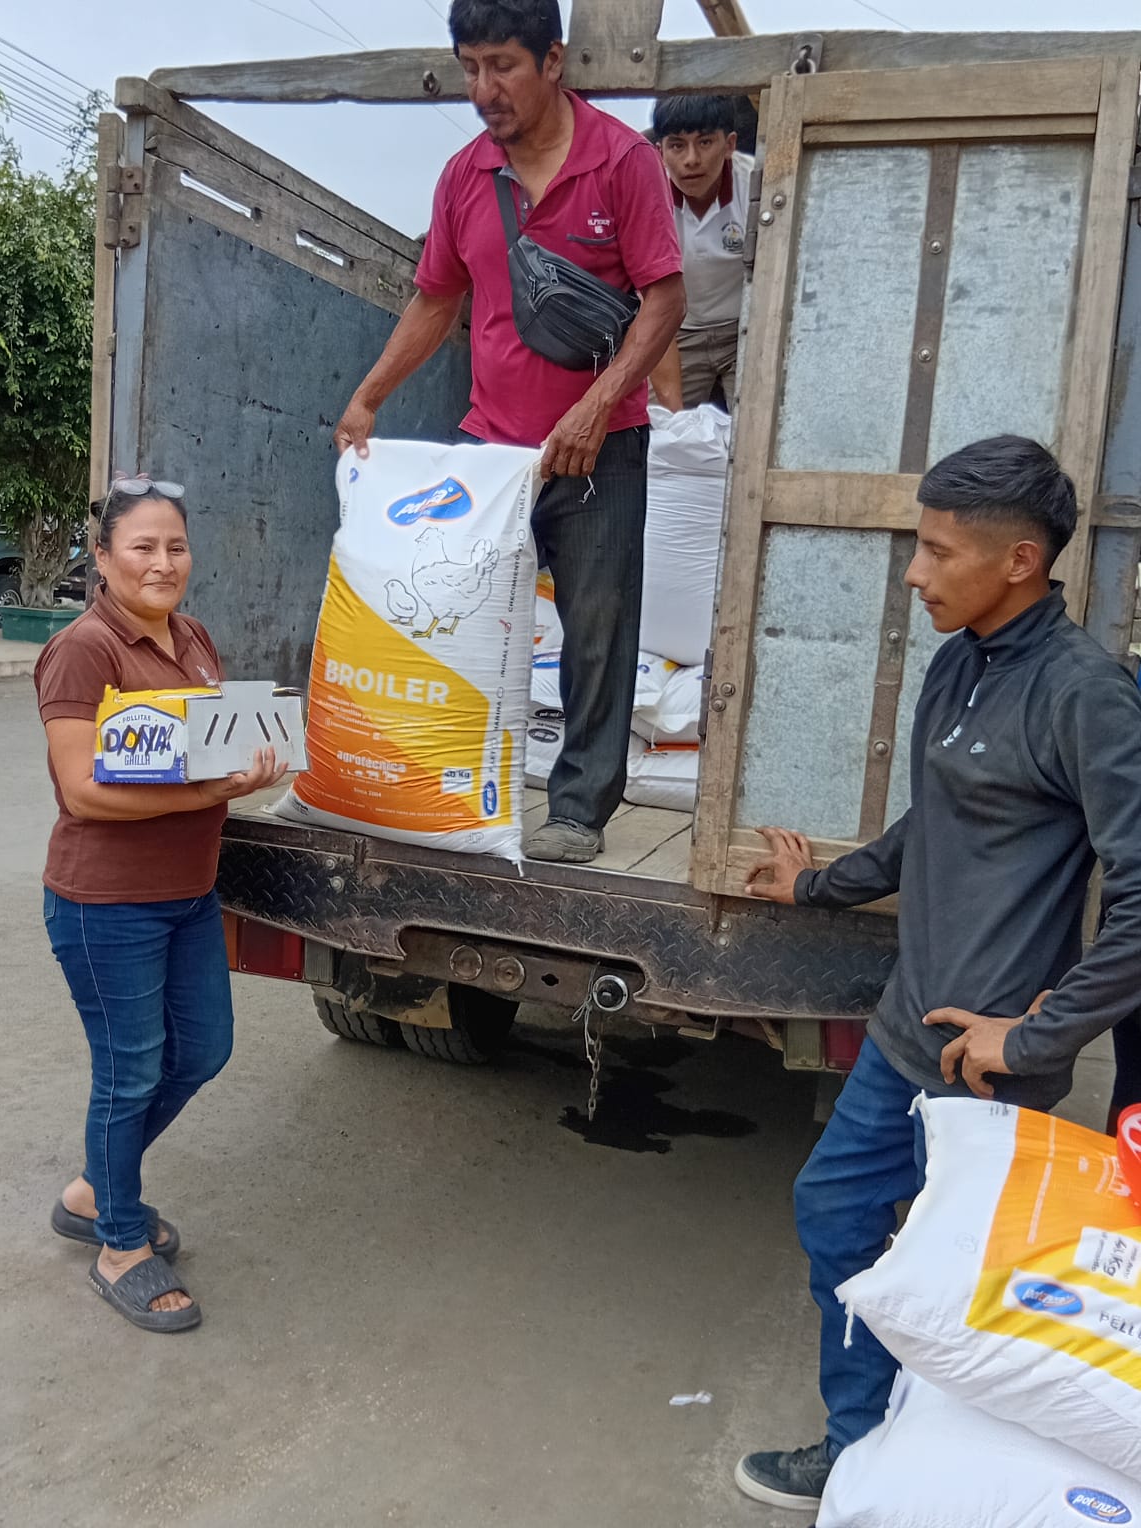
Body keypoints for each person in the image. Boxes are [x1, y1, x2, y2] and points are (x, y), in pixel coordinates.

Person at [735, 436, 1141, 1511]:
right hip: (904, 1027)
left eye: (936, 551)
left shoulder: (1085, 695)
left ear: (1019, 561)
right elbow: (936, 821)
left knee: (957, 1285)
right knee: (839, 1214)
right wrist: (819, 886)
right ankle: (865, 1450)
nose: (915, 573)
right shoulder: (964, 659)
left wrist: (1038, 1035)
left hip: (981, 1064)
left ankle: (918, 1483)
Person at [333, 0, 685, 864]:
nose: (484, 88)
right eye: (471, 68)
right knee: (457, 612)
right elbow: (436, 298)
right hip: (491, 449)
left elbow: (666, 299)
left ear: (552, 61)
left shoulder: (622, 161)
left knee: (597, 627)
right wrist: (369, 396)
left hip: (604, 448)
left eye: (503, 65)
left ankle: (577, 811)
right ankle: (446, 780)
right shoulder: (464, 175)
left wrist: (596, 406)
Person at [33, 477, 286, 1332]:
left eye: (175, 547)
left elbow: (202, 749)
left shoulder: (194, 637)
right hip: (106, 903)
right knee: (130, 1071)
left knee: (204, 1050)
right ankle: (118, 1246)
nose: (162, 563)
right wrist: (210, 793)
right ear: (102, 558)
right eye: (142, 547)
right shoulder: (82, 650)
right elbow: (83, 790)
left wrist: (248, 767)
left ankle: (92, 1190)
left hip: (187, 893)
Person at [647, 95, 751, 413]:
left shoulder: (758, 185)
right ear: (660, 152)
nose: (691, 159)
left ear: (729, 144)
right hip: (676, 333)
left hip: (746, 329)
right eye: (677, 146)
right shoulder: (645, 195)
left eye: (705, 142)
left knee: (758, 428)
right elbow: (647, 301)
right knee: (656, 428)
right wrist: (673, 415)